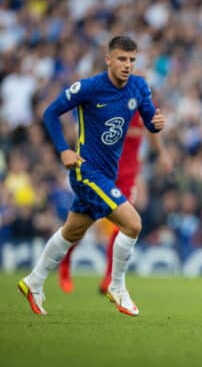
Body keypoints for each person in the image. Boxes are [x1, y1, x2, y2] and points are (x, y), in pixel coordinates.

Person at [17, 36, 166, 316]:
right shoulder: (89, 87)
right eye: (122, 59)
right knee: (133, 224)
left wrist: (156, 125)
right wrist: (62, 150)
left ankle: (33, 281)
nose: (127, 65)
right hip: (86, 172)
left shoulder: (139, 86)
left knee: (71, 232)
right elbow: (50, 113)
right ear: (108, 59)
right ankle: (117, 286)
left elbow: (149, 122)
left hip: (107, 175)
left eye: (132, 60)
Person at [58, 112, 172, 294]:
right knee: (80, 224)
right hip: (102, 173)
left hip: (127, 177)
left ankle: (110, 277)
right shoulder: (111, 101)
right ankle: (64, 264)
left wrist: (162, 154)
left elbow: (153, 132)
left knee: (123, 226)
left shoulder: (144, 105)